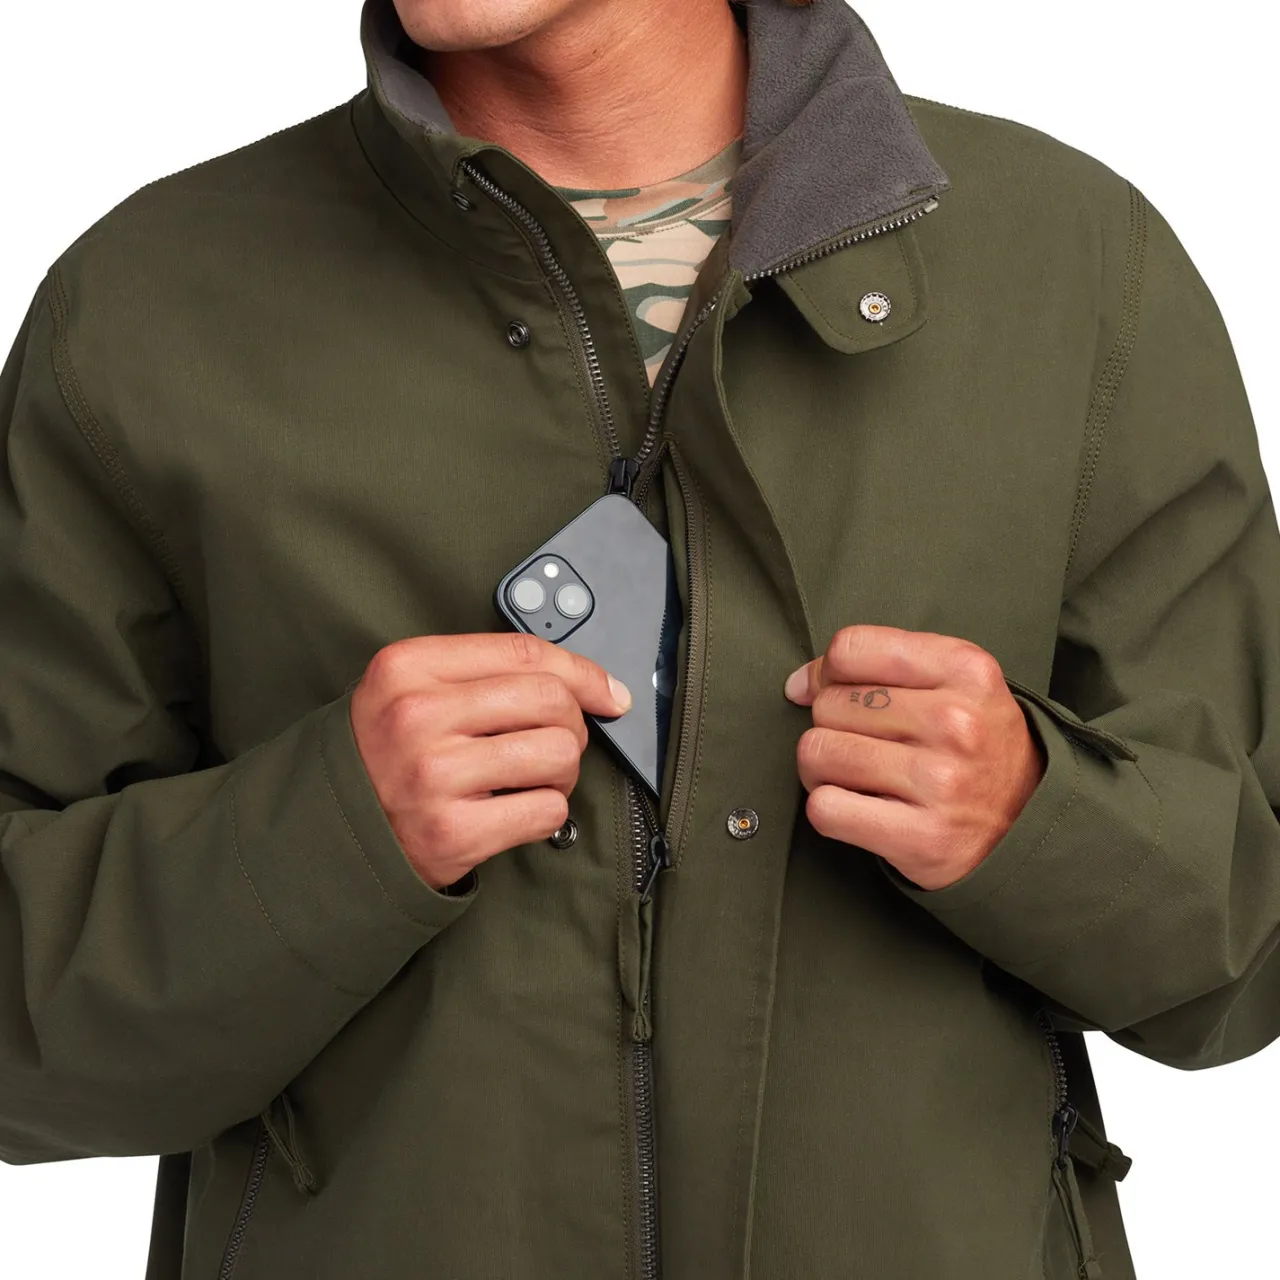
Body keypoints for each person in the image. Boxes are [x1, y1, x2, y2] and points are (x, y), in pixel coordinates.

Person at [0, 0, 1276, 1275]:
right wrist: (325, 838)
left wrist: (1033, 820)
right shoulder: (146, 308)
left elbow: (1244, 955)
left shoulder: (1073, 267)